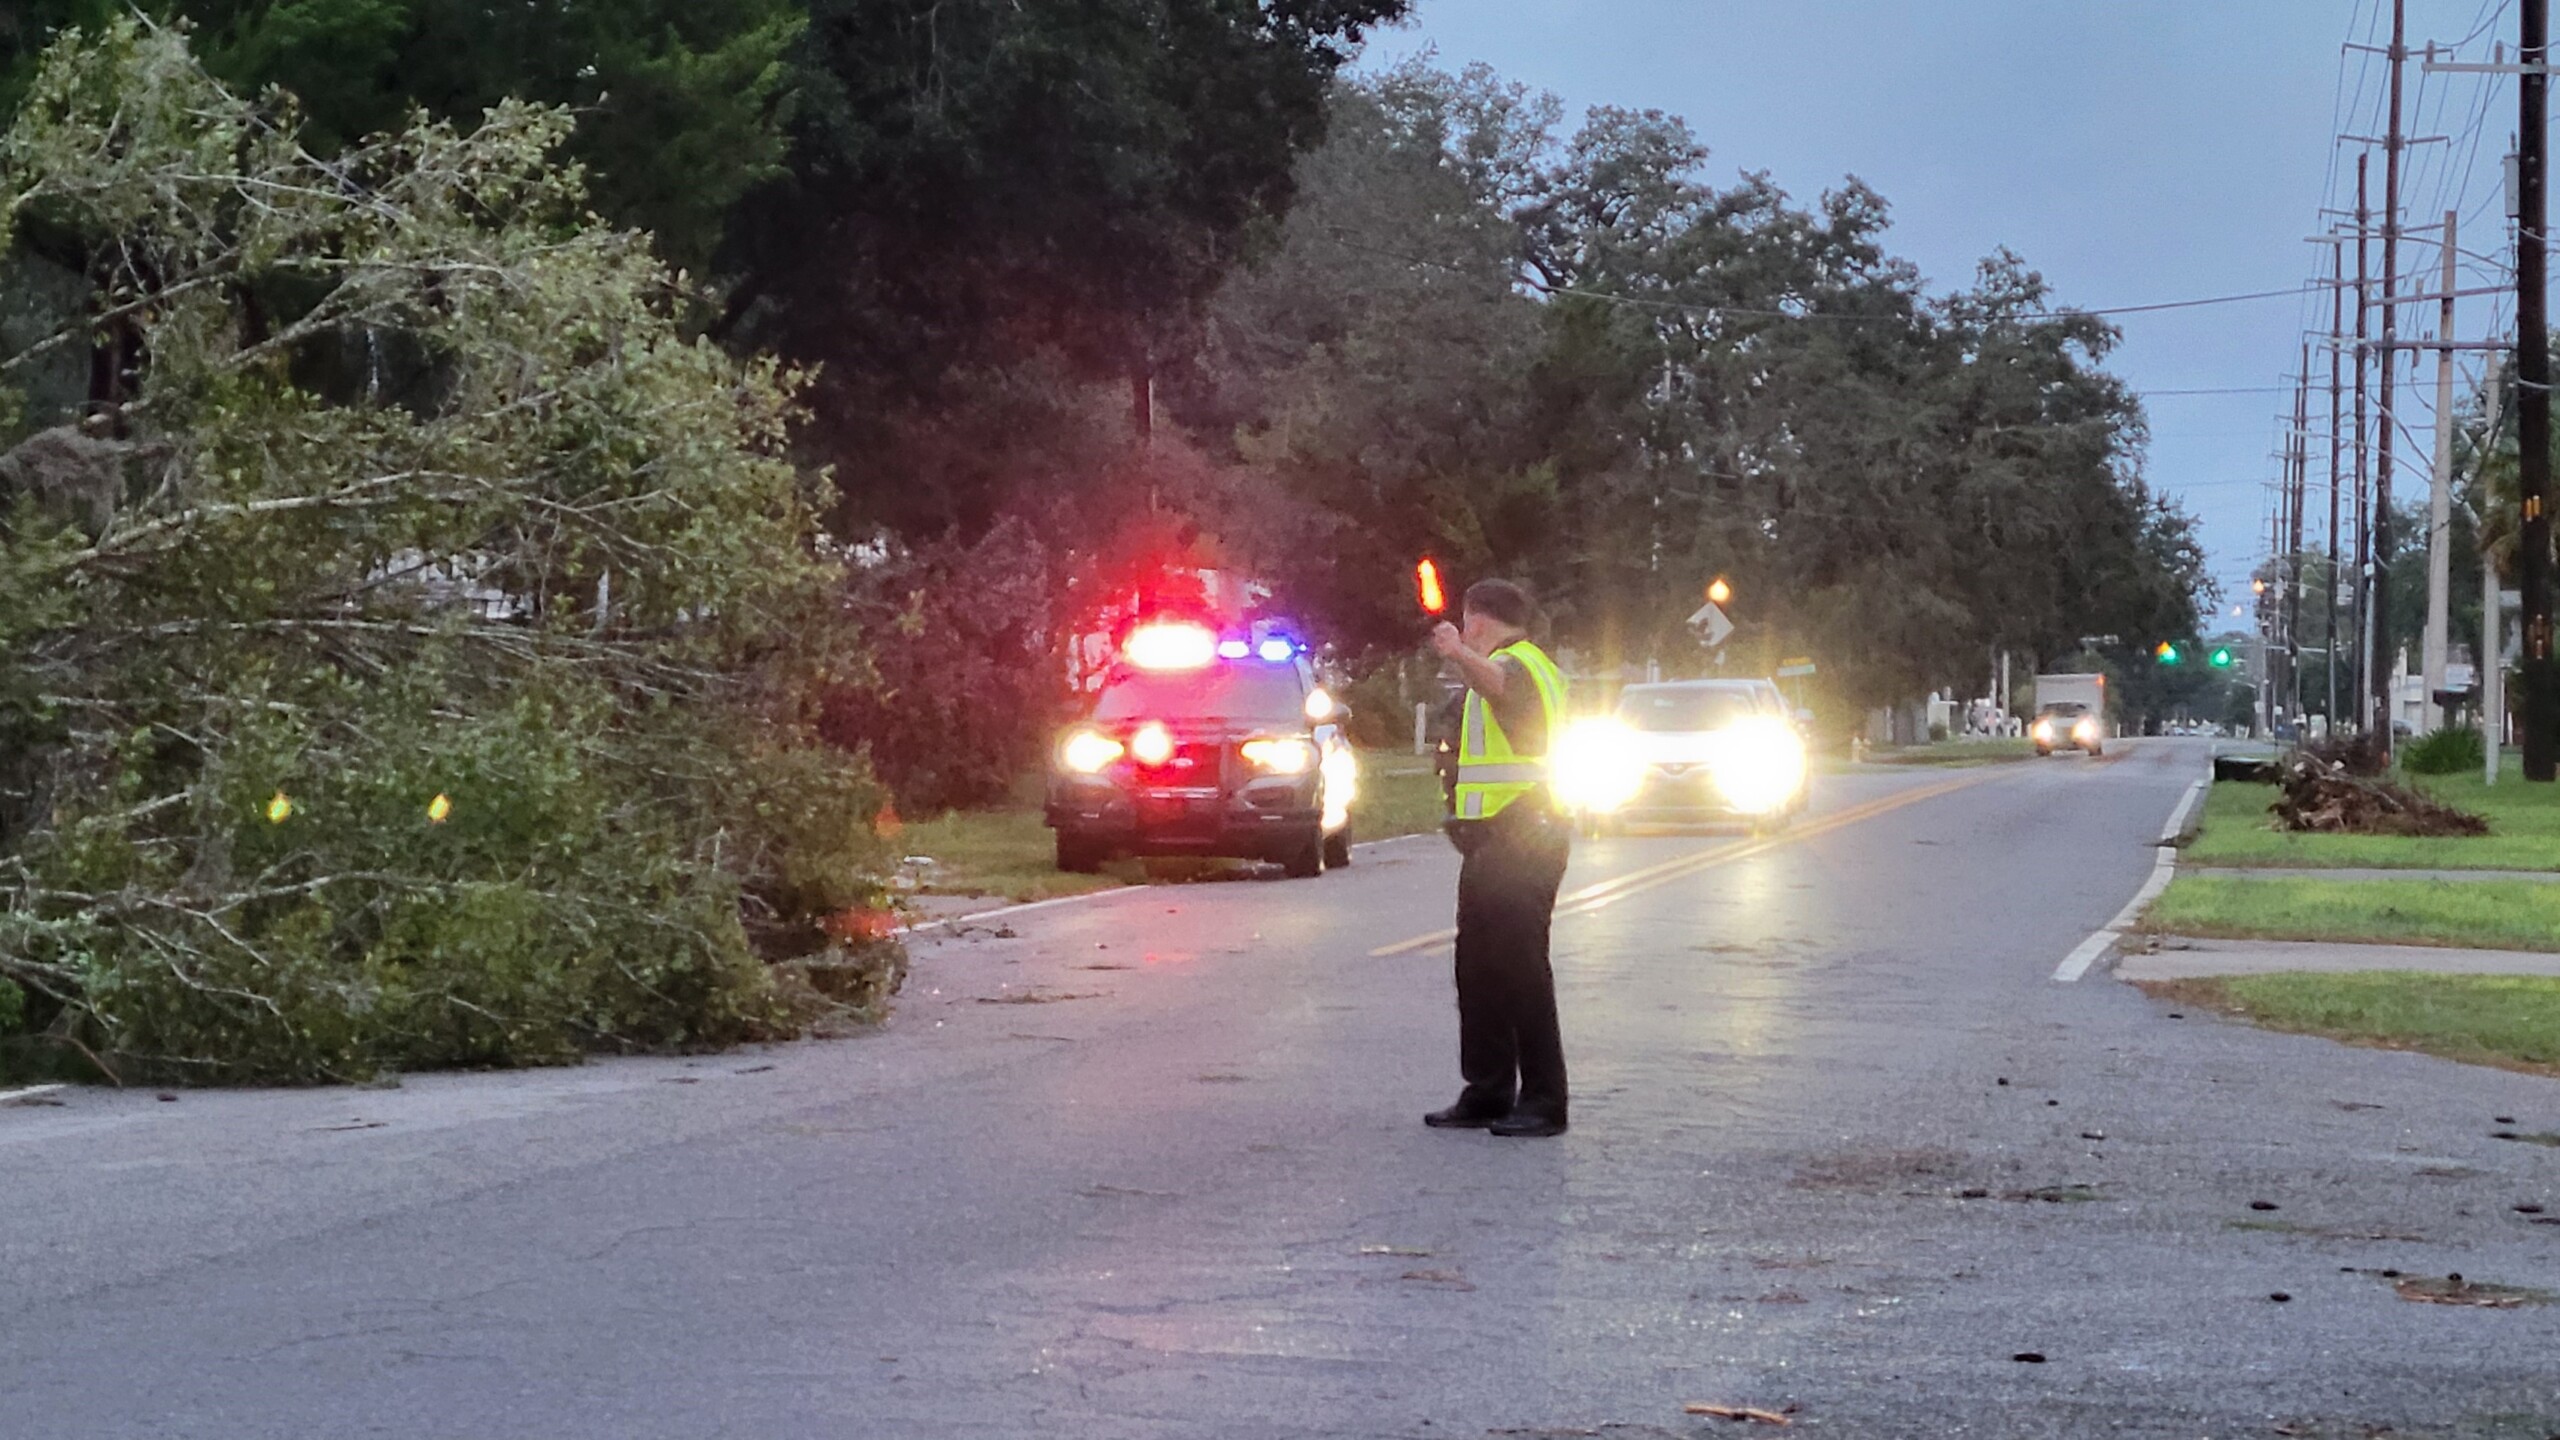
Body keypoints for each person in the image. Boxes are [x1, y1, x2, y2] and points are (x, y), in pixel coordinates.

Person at [1423, 578, 1572, 1139]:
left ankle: (1544, 1100)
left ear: (1479, 622)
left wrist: (1458, 653)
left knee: (1521, 969)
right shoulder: (1512, 666)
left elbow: (1501, 687)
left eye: (1467, 626)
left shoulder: (1523, 664)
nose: (1463, 635)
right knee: (1479, 967)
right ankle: (1487, 1090)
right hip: (1493, 840)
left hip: (1526, 834)